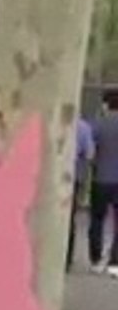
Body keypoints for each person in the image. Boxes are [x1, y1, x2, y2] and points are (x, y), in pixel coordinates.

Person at [88, 94, 118, 276]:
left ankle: (96, 259)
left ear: (106, 105)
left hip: (101, 178)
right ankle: (115, 262)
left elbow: (90, 149)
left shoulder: (99, 124)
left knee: (97, 219)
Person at [67, 115, 95, 272]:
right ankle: (66, 258)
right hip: (72, 177)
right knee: (69, 218)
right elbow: (89, 154)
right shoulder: (83, 127)